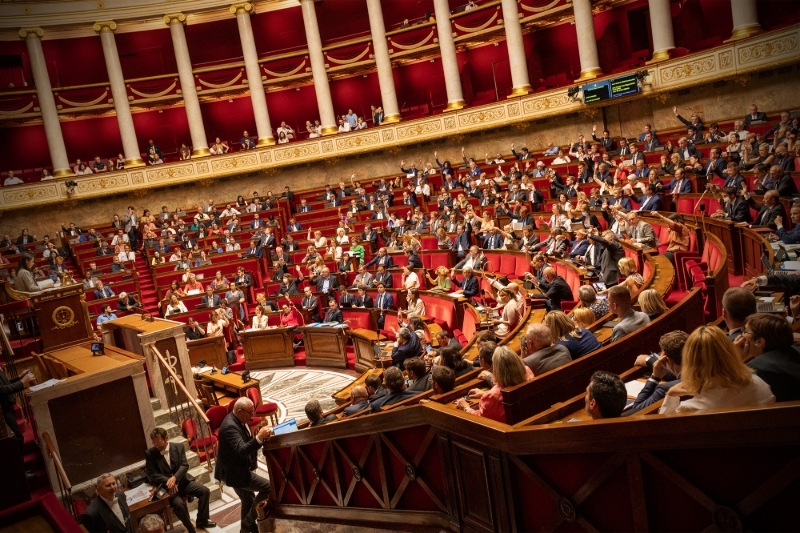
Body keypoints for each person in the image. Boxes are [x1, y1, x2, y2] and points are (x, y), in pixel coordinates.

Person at [659, 326, 774, 414]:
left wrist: (671, 395)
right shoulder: (761, 384)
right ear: (729, 352)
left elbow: (665, 432)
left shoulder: (691, 408)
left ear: (690, 362)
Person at [214, 397, 273, 532]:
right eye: (250, 413)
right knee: (268, 488)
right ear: (240, 411)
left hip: (238, 469)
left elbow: (246, 440)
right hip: (234, 473)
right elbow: (242, 450)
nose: (252, 416)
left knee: (248, 499)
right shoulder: (230, 426)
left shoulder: (240, 419)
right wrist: (259, 438)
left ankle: (246, 529)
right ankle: (247, 523)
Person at [144, 427, 214, 533]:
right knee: (179, 505)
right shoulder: (150, 453)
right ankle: (191, 528)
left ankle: (202, 520)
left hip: (183, 482)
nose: (156, 446)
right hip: (168, 489)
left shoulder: (178, 447)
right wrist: (168, 481)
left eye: (158, 442)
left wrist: (175, 478)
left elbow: (184, 465)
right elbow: (152, 473)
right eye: (154, 443)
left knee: (204, 491)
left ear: (166, 438)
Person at [737, 313, 800, 402]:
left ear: (759, 341)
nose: (742, 335)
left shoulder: (757, 368)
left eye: (745, 331)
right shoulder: (796, 350)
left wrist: (736, 357)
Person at [455, 347, 528, 423]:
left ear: (496, 369)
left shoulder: (492, 396)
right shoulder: (528, 372)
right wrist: (485, 394)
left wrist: (466, 408)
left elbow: (481, 419)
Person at [626, 331, 688, 416]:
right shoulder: (704, 369)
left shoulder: (665, 388)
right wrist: (649, 361)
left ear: (668, 360)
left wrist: (654, 378)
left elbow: (637, 409)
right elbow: (678, 376)